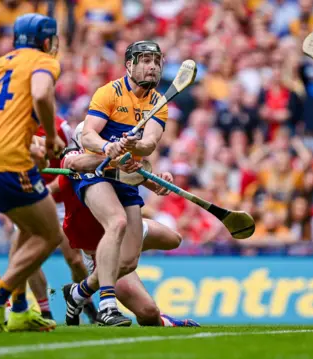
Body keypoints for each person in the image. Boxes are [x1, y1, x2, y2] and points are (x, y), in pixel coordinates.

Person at [0, 13, 65, 332]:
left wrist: (30, 146)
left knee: (27, 231)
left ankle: (20, 309)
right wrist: (50, 138)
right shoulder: (43, 61)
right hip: (7, 163)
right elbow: (39, 94)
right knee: (49, 234)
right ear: (47, 41)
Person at [74, 40, 168, 326]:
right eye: (145, 60)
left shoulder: (158, 102)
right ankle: (107, 307)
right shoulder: (109, 92)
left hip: (125, 178)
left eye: (156, 61)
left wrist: (134, 145)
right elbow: (88, 135)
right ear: (129, 65)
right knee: (116, 223)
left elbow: (150, 143)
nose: (152, 66)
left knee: (128, 262)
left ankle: (78, 293)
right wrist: (106, 147)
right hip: (96, 171)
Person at [56, 144, 199, 327]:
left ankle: (79, 291)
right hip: (101, 246)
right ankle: (81, 293)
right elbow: (74, 162)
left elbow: (147, 181)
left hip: (127, 228)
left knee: (174, 239)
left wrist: (159, 181)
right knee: (149, 313)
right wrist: (113, 160)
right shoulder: (79, 154)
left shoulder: (116, 155)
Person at [24, 115, 94, 321]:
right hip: (31, 201)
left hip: (61, 201)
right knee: (28, 259)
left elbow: (70, 164)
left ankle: (84, 302)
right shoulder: (12, 123)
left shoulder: (60, 127)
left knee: (74, 260)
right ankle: (45, 311)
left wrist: (49, 189)